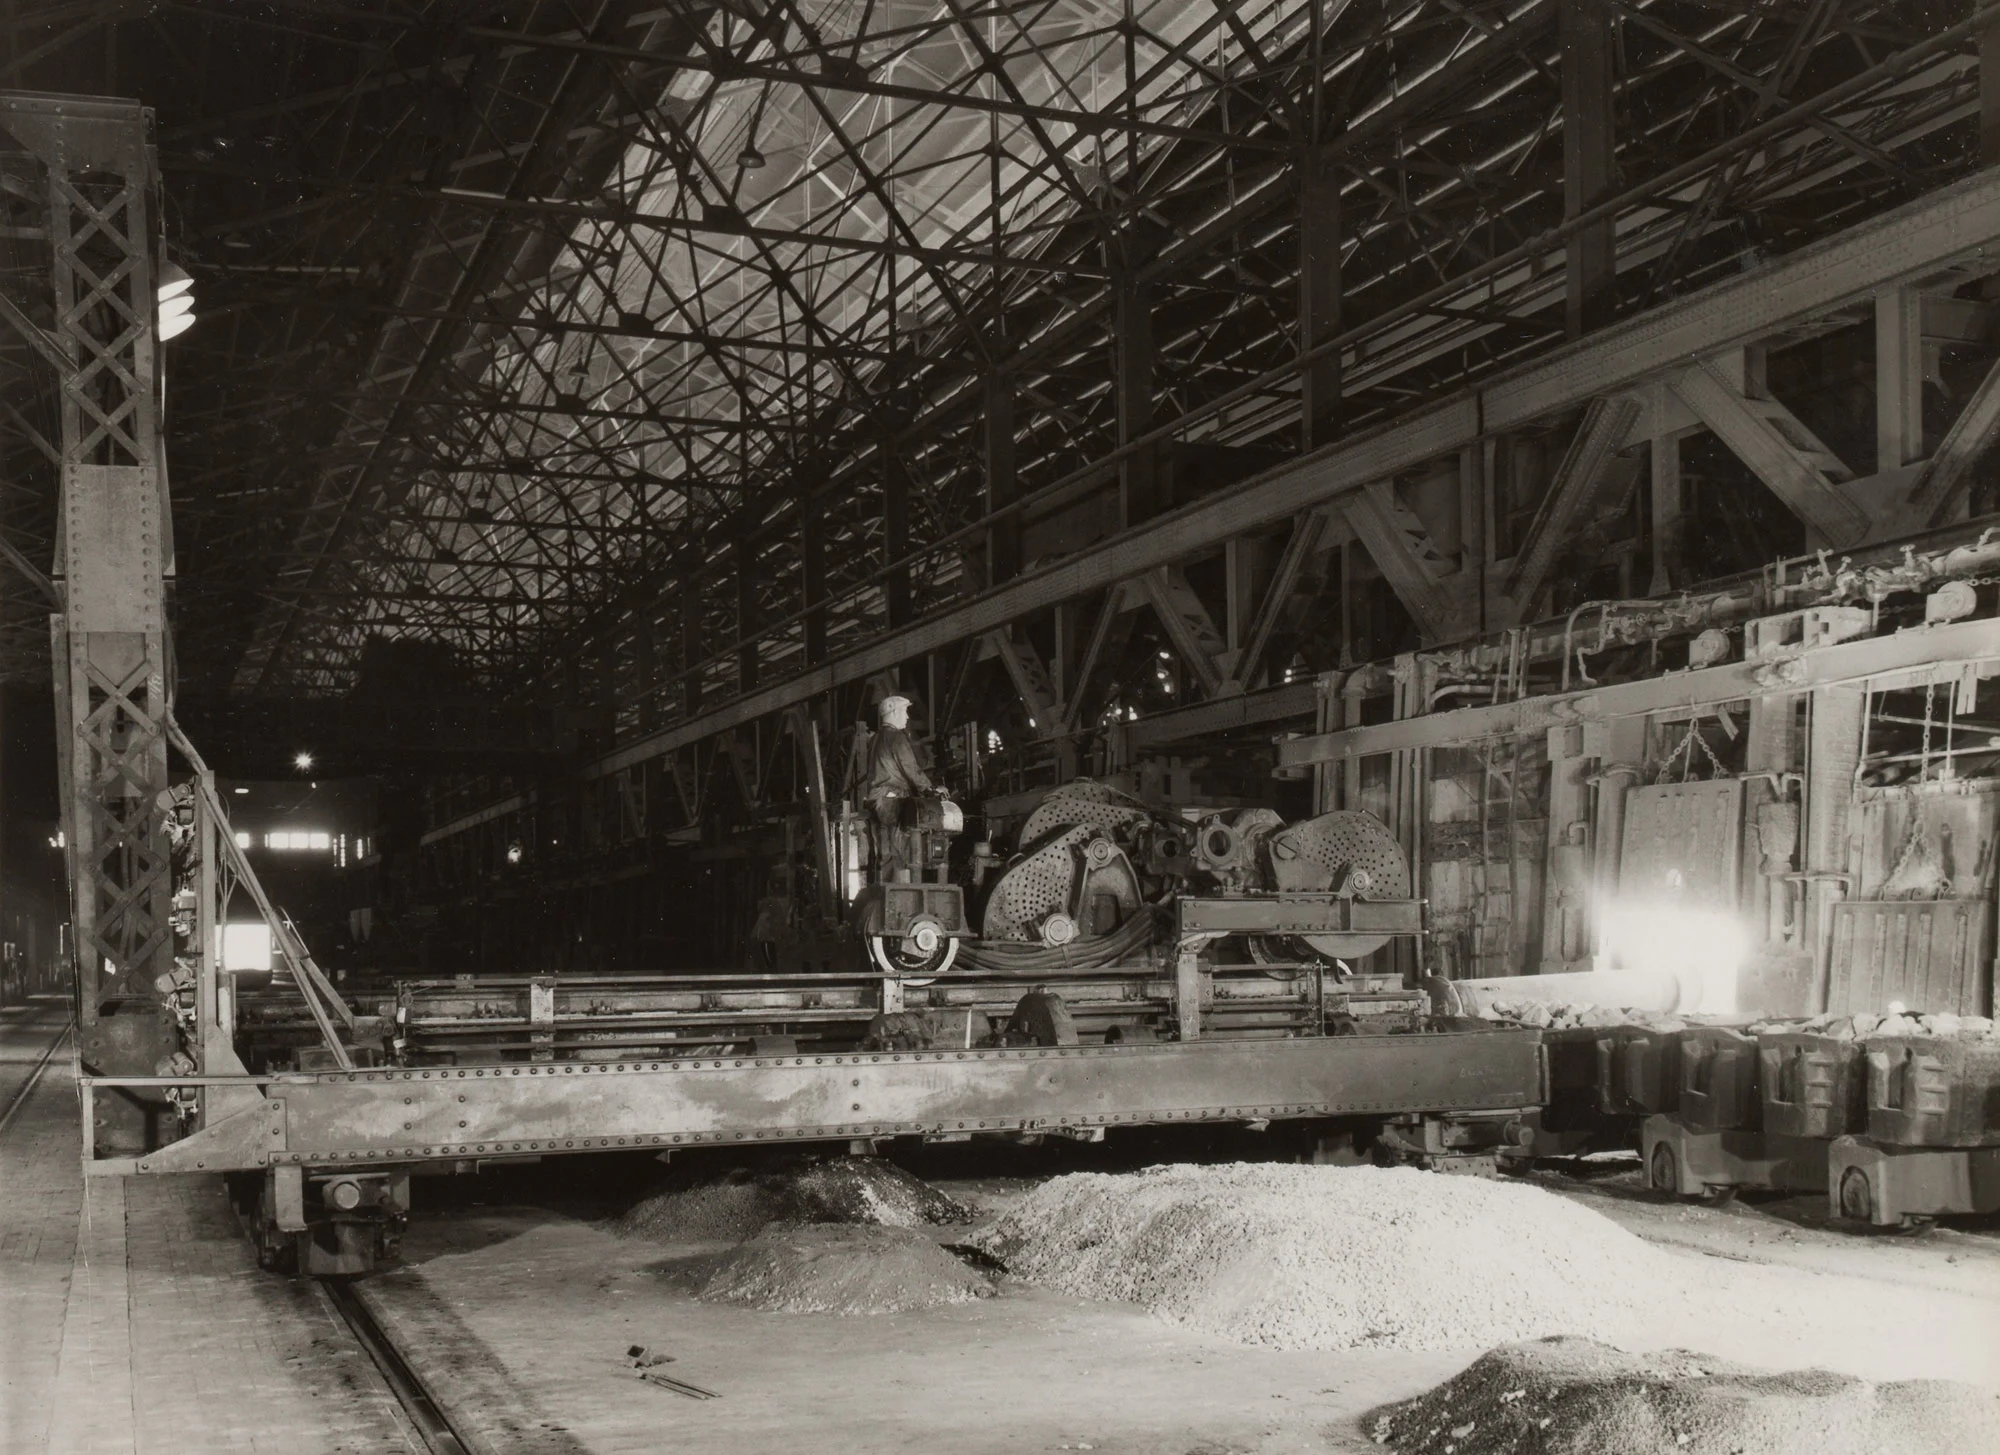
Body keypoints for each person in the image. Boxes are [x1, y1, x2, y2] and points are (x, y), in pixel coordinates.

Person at [867, 695, 932, 877]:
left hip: (877, 799)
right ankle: (903, 897)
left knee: (884, 853)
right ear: (893, 712)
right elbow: (911, 768)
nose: (907, 717)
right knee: (901, 853)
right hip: (893, 799)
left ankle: (886, 896)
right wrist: (929, 789)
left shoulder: (875, 740)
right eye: (904, 711)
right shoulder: (896, 738)